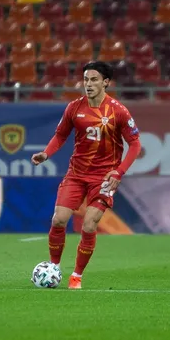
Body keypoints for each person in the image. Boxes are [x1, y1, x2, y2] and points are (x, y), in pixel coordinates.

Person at [31, 61, 142, 290]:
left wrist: (119, 172)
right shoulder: (74, 107)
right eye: (86, 79)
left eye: (94, 80)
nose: (88, 84)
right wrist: (46, 153)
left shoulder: (118, 111)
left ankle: (76, 276)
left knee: (89, 225)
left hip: (104, 178)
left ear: (106, 82)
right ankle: (54, 268)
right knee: (58, 220)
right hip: (76, 174)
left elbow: (135, 145)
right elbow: (60, 135)